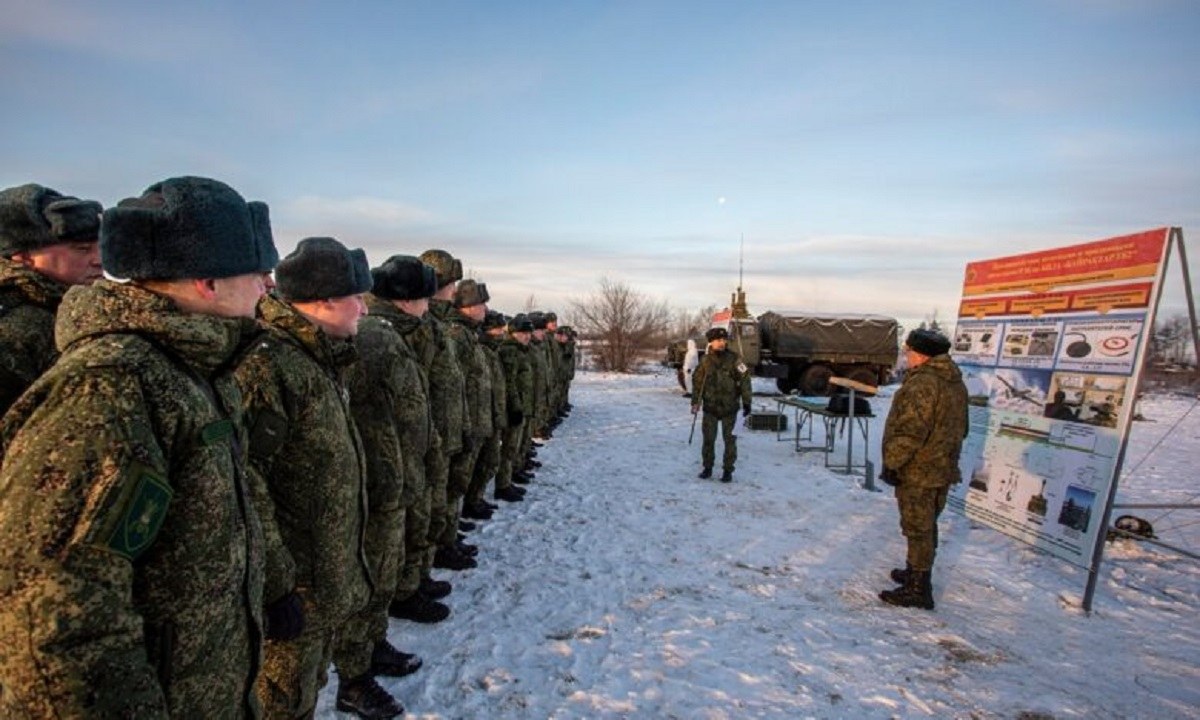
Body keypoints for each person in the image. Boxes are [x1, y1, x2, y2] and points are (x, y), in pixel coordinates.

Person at [0, 176, 277, 717]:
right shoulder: (111, 387)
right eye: (256, 270)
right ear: (207, 281)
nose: (268, 285)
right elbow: (55, 620)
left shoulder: (193, 367)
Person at [234, 237, 393, 719]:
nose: (364, 308)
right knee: (283, 697)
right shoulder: (268, 365)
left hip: (323, 573)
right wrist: (277, 584)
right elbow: (247, 484)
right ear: (322, 300)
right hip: (296, 581)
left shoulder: (317, 357)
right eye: (355, 297)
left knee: (306, 686)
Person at [342, 255, 447, 719]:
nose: (430, 304)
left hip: (394, 469)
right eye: (424, 296)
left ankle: (371, 645)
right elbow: (396, 409)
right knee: (374, 572)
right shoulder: (378, 338)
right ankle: (354, 675)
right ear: (406, 300)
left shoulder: (391, 333)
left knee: (384, 569)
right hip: (383, 473)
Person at [878, 328, 968, 611]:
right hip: (941, 467)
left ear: (921, 354)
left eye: (909, 351)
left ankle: (918, 588)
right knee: (926, 524)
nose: (906, 355)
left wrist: (893, 462)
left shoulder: (924, 383)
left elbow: (910, 430)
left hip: (919, 469)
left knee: (918, 527)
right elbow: (962, 427)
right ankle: (915, 571)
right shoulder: (954, 381)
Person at [0, 183, 102, 414]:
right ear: (24, 257)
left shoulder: (69, 309)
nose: (99, 260)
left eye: (100, 248)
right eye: (82, 249)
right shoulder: (15, 323)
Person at [690, 326, 752, 482]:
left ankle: (728, 471)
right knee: (708, 440)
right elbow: (697, 382)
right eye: (718, 340)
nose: (722, 343)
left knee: (730, 441)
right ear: (711, 342)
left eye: (724, 340)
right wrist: (695, 402)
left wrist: (747, 402)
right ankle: (707, 468)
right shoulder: (705, 361)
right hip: (710, 408)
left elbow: (745, 380)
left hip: (730, 408)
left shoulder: (735, 359)